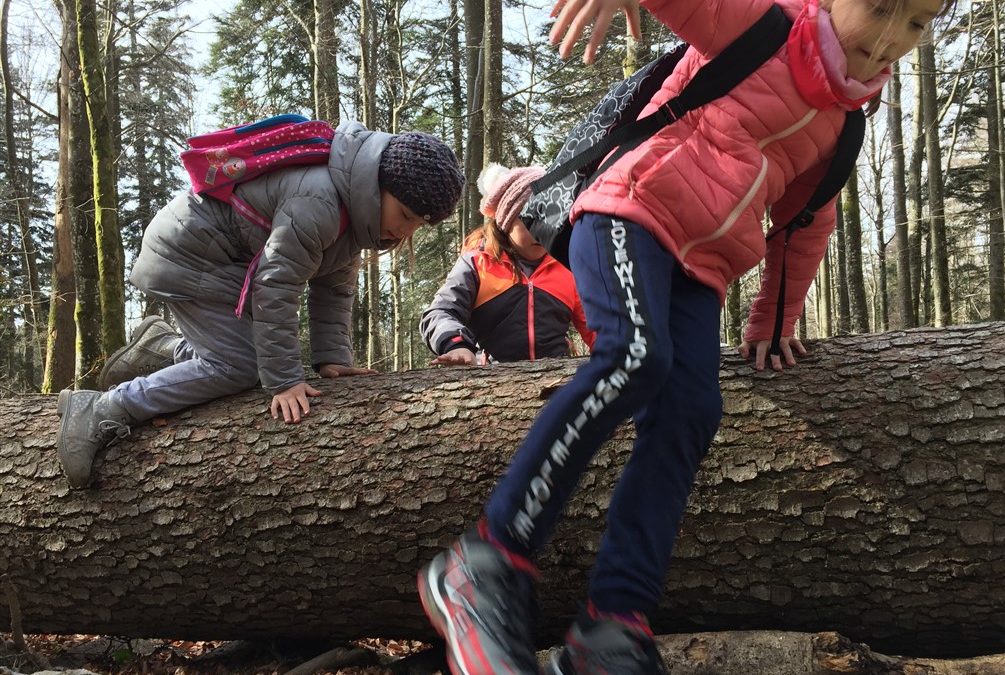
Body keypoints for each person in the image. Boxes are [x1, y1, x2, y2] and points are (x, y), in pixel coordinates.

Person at [417, 0, 952, 673]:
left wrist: (775, 320)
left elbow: (805, 222)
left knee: (693, 409)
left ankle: (610, 627)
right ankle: (488, 560)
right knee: (635, 356)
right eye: (880, 9)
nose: (891, 38)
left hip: (704, 268)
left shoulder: (842, 127)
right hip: (626, 209)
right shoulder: (764, 25)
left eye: (918, 23)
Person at [56, 122, 465, 489]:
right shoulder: (320, 200)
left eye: (419, 224)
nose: (405, 230)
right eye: (405, 214)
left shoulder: (356, 214)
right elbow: (275, 285)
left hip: (226, 261)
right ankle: (103, 407)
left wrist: (331, 357)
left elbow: (334, 287)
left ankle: (158, 348)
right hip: (192, 255)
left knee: (238, 356)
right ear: (379, 184)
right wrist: (284, 380)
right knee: (239, 367)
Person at [421, 164, 595, 366]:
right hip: (492, 385)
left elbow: (596, 327)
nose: (541, 229)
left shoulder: (568, 267)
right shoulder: (477, 264)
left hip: (556, 381)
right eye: (529, 220)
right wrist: (456, 344)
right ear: (506, 221)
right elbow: (439, 313)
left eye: (551, 218)